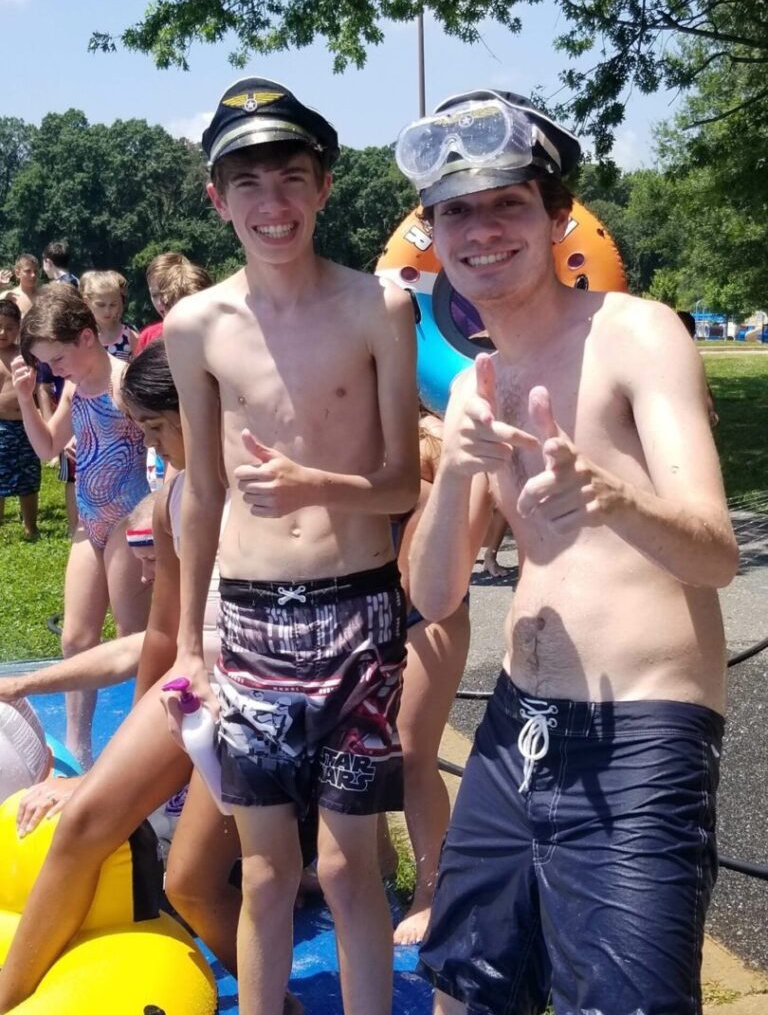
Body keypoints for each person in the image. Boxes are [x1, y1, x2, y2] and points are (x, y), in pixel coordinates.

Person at [395, 89, 739, 1015]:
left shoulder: (637, 334)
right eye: (455, 211)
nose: (480, 229)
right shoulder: (474, 383)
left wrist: (611, 497)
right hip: (516, 729)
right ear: (434, 232)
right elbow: (432, 596)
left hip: (641, 734)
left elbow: (715, 558)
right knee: (464, 989)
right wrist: (457, 476)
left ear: (556, 219)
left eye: (507, 202)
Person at [161, 77, 419, 1015]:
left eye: (292, 178)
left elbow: (402, 482)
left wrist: (322, 485)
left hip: (358, 614)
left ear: (325, 186)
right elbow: (203, 492)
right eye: (249, 184)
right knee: (267, 875)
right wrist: (191, 640)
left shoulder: (377, 309)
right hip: (254, 622)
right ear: (216, 197)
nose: (272, 206)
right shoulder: (196, 326)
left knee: (351, 871)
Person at [0, 341, 304, 1015]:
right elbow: (164, 637)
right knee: (83, 821)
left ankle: (278, 1004)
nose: (150, 444)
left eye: (159, 428)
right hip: (196, 689)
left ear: (207, 408)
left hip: (269, 699)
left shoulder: (281, 486)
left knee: (191, 884)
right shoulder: (174, 496)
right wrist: (117, 764)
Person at [11, 284, 150, 767]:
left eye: (58, 359)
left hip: (128, 517)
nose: (55, 369)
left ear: (87, 338)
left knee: (135, 637)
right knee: (75, 638)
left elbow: (162, 445)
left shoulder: (124, 383)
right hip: (88, 520)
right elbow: (49, 448)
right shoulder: (74, 386)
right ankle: (78, 746)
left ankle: (144, 746)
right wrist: (28, 399)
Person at [388, 411, 488, 946]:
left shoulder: (426, 440)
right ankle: (379, 857)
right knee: (354, 747)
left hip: (428, 613)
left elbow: (416, 583)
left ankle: (431, 889)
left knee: (410, 753)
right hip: (372, 607)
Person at [0, 298, 40, 538]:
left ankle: (30, 526)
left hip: (25, 425)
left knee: (28, 477)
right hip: (0, 426)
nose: (3, 332)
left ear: (19, 328)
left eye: (10, 327)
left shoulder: (25, 354)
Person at [135, 252, 213, 354]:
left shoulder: (212, 331)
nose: (161, 303)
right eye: (154, 295)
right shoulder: (148, 337)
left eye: (166, 293)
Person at [79, 269, 136, 359]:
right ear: (86, 301)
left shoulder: (129, 336)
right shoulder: (80, 336)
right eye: (101, 305)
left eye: (113, 305)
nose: (107, 311)